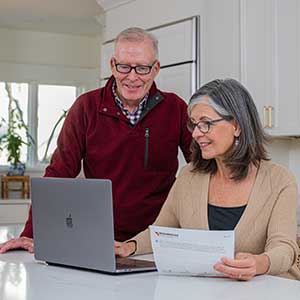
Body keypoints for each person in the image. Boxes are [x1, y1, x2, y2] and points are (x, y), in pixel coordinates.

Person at [0, 27, 192, 253]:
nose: (132, 77)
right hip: (101, 240)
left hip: (157, 240)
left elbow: (203, 168)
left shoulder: (176, 108)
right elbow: (58, 173)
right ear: (112, 65)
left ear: (155, 69)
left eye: (142, 68)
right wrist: (30, 234)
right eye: (123, 67)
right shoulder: (86, 107)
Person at [115, 78, 300, 281]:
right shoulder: (189, 176)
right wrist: (129, 247)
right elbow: (161, 233)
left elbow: (284, 248)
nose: (195, 133)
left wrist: (260, 263)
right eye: (194, 124)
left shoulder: (279, 181)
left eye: (206, 124)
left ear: (237, 126)